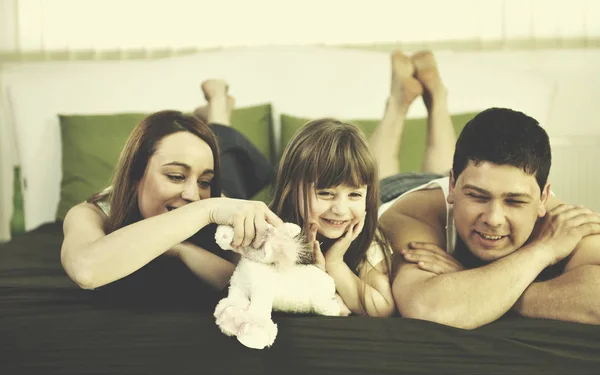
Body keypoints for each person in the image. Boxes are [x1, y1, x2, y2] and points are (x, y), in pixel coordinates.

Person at [266, 50, 457, 318]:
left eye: (354, 194)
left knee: (439, 176)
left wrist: (335, 263)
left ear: (365, 193)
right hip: (386, 195)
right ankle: (402, 102)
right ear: (291, 187)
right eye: (325, 193)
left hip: (405, 194)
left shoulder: (366, 235)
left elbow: (382, 309)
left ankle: (433, 99)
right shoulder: (273, 230)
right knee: (388, 176)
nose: (341, 210)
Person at [379, 107, 600, 328]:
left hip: (458, 183)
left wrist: (475, 282)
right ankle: (399, 105)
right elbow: (426, 307)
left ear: (542, 197)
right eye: (477, 196)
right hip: (393, 192)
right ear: (453, 186)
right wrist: (543, 251)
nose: (494, 219)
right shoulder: (411, 213)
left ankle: (437, 99)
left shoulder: (562, 224)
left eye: (515, 202)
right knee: (373, 174)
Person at [60, 81, 283, 293]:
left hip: (227, 186)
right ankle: (217, 105)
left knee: (226, 158)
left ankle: (218, 108)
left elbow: (249, 283)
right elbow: (86, 271)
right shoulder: (90, 213)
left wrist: (181, 248)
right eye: (176, 176)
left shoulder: (213, 199)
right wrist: (202, 213)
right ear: (136, 175)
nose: (193, 195)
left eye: (204, 182)